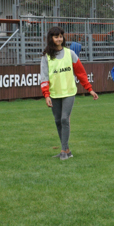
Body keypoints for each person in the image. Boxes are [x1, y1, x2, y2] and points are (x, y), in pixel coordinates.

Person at [39, 27, 98, 160]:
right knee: (58, 121)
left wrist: (90, 89)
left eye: (61, 36)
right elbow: (44, 77)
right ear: (51, 38)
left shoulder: (70, 53)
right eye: (56, 36)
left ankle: (63, 150)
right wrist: (46, 95)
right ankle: (66, 150)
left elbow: (81, 73)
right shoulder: (46, 57)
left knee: (65, 119)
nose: (59, 39)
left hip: (69, 92)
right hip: (54, 94)